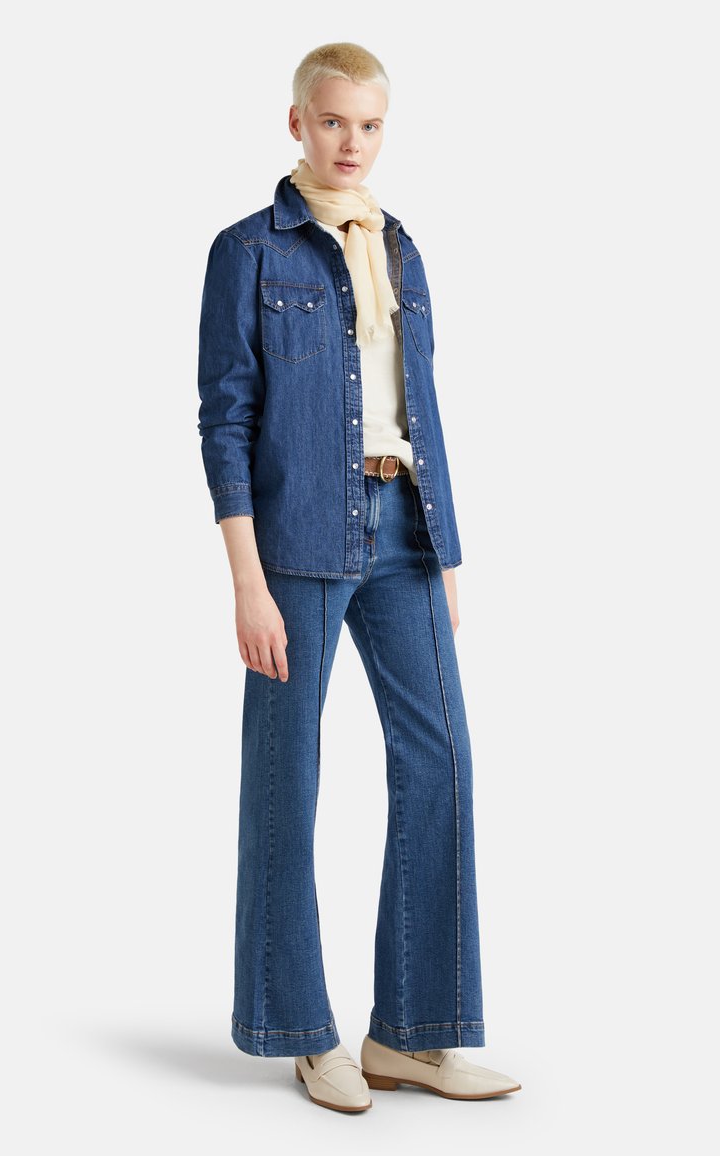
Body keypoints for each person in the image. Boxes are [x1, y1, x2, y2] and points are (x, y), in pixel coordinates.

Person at [196, 41, 521, 1113]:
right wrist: (245, 579)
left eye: (370, 125)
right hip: (293, 543)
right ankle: (301, 1029)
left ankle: (412, 1035)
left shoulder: (402, 246)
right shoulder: (248, 250)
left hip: (404, 531)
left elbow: (420, 407)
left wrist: (447, 552)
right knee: (285, 778)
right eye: (333, 122)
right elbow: (225, 419)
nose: (352, 144)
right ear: (297, 122)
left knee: (442, 762)